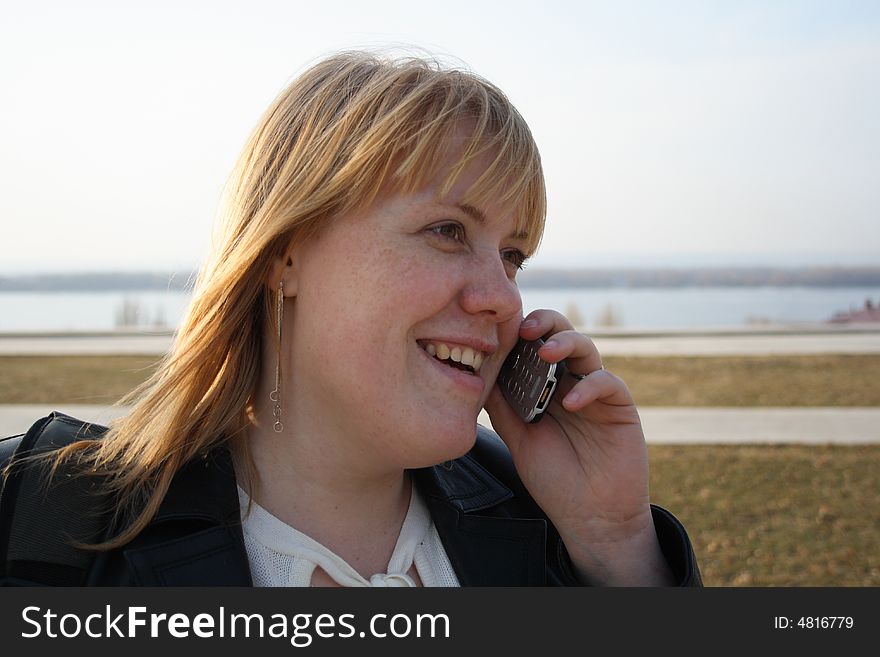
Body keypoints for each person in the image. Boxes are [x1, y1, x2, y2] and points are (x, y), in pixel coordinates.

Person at [1, 51, 700, 587]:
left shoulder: (541, 521)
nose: (504, 296)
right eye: (448, 230)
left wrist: (614, 546)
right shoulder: (41, 519)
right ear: (284, 253)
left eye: (512, 254)